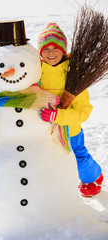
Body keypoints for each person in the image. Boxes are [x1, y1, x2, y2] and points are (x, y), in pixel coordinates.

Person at [37, 22, 103, 198]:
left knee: (78, 157)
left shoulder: (75, 73)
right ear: (40, 52)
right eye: (46, 49)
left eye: (55, 48)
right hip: (44, 130)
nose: (51, 53)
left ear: (63, 50)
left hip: (70, 129)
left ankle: (93, 177)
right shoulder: (36, 72)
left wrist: (57, 115)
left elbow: (83, 111)